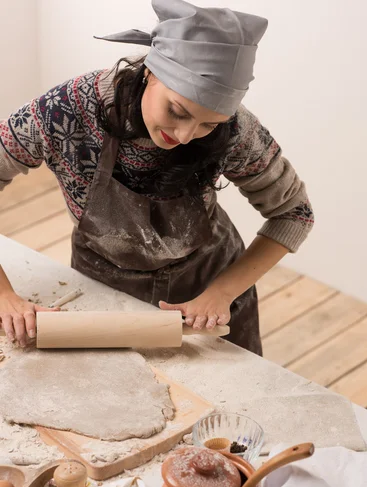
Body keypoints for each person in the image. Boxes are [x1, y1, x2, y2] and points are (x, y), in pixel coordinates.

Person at [0, 0, 314, 355]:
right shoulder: (66, 111)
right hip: (101, 282)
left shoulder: (237, 131)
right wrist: (3, 296)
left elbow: (294, 214)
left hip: (205, 287)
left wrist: (221, 293)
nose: (184, 135)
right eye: (177, 111)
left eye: (208, 124)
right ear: (150, 72)